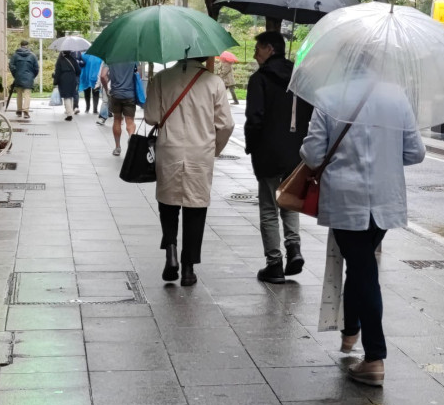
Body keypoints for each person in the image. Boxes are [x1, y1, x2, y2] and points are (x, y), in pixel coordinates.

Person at [300, 82, 426, 387]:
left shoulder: (329, 95)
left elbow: (314, 154)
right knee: (361, 265)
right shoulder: (396, 95)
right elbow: (415, 152)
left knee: (363, 270)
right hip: (384, 198)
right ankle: (350, 330)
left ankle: (374, 358)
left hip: (346, 198)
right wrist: (384, 159)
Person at [145, 58, 234, 286]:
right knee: (196, 207)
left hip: (169, 149)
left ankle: (171, 251)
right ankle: (188, 269)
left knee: (168, 202)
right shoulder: (214, 82)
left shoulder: (161, 79)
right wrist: (214, 148)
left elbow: (151, 117)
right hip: (200, 152)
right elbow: (225, 124)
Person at [245, 32, 313, 283]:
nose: (254, 54)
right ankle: (293, 249)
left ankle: (274, 263)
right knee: (289, 198)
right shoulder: (300, 79)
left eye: (258, 49)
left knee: (269, 207)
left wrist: (251, 146)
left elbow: (254, 118)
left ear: (270, 49)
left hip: (268, 151)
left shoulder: (260, 79)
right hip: (296, 152)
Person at [107, 62, 139, 156]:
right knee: (130, 121)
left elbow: (103, 75)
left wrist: (107, 89)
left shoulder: (110, 58)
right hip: (130, 94)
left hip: (116, 94)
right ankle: (131, 137)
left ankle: (117, 147)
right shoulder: (133, 59)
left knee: (117, 120)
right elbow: (138, 74)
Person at [8, 40, 39, 119]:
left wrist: (16, 74)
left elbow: (11, 66)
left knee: (19, 94)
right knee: (27, 95)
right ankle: (25, 110)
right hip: (29, 77)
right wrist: (32, 75)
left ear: (20, 45)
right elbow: (36, 68)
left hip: (18, 76)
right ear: (27, 46)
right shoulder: (32, 56)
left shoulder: (15, 55)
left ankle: (19, 110)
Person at [52, 51, 81, 121]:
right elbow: (78, 71)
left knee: (66, 96)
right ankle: (70, 111)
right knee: (70, 95)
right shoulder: (73, 59)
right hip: (72, 79)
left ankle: (69, 114)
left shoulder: (60, 60)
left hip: (63, 79)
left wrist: (55, 80)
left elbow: (58, 72)